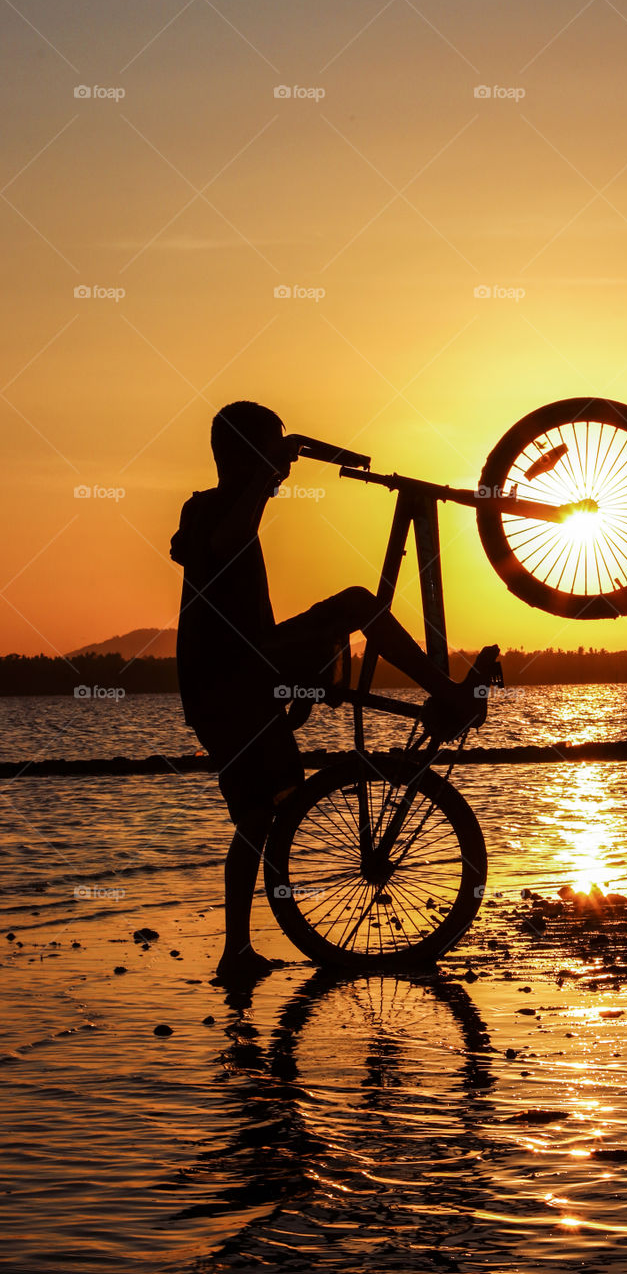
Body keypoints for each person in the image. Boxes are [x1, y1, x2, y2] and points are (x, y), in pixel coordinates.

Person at [170, 401, 497, 982]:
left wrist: (301, 681)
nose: (283, 472)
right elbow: (226, 543)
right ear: (246, 457)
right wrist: (267, 473)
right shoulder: (208, 511)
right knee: (353, 605)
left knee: (258, 814)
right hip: (226, 683)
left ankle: (236, 952)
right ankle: (445, 693)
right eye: (270, 455)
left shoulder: (228, 509)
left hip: (251, 672)